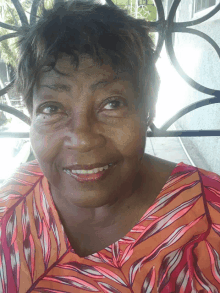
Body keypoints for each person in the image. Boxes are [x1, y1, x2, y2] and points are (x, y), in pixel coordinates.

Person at [0, 0, 220, 292]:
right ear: (31, 115)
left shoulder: (211, 220)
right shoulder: (10, 207)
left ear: (148, 108)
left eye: (112, 104)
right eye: (52, 108)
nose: (82, 138)